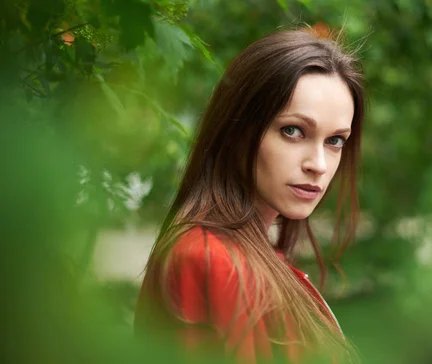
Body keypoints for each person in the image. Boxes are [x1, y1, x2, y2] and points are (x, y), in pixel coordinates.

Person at [134, 27, 365, 363]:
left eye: (335, 141)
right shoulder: (210, 259)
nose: (318, 164)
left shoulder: (252, 258)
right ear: (238, 131)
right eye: (293, 131)